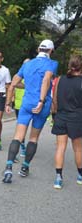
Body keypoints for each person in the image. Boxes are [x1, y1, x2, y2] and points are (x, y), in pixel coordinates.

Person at [2, 39, 58, 184]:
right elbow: (46, 80)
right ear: (51, 51)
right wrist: (40, 101)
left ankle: (8, 167)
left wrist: (8, 102)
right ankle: (25, 167)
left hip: (26, 104)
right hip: (42, 105)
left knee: (18, 136)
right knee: (33, 138)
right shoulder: (52, 64)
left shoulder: (27, 64)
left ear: (39, 49)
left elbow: (14, 83)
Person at [51, 55, 82, 189]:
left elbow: (55, 100)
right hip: (77, 117)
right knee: (78, 149)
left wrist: (54, 115)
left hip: (61, 116)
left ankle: (58, 178)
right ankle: (80, 175)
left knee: (60, 147)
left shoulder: (59, 80)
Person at [13, 58, 30, 158]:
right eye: (25, 64)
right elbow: (13, 85)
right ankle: (22, 147)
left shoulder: (32, 75)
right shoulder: (19, 75)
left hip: (29, 105)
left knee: (25, 127)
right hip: (19, 105)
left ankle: (22, 146)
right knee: (21, 128)